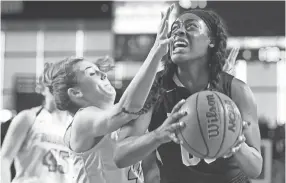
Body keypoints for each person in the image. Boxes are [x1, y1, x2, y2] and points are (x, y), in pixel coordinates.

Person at [114, 8, 263, 183]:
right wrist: (158, 135)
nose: (179, 31)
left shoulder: (235, 89)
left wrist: (237, 144)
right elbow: (119, 155)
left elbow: (255, 168)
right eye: (175, 28)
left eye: (191, 26)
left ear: (211, 41)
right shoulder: (155, 88)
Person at [43, 5, 185, 183]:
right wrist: (157, 51)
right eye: (92, 73)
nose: (103, 74)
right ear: (76, 92)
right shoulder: (83, 119)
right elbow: (127, 108)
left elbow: (150, 171)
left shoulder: (123, 126)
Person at [1, 67, 73, 183]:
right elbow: (4, 159)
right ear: (43, 89)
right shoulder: (29, 118)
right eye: (53, 87)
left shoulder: (74, 126)